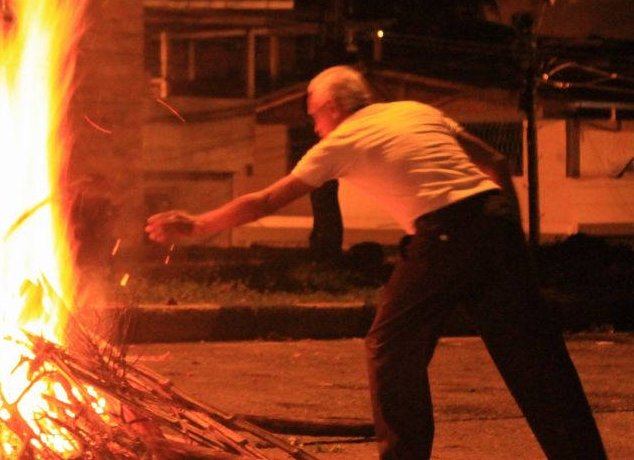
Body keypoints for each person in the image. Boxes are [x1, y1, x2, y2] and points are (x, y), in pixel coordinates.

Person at [146, 65, 607, 460]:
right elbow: (497, 162)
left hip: (444, 232)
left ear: (332, 108)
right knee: (534, 353)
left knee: (388, 345)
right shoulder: (415, 111)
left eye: (313, 116)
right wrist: (511, 240)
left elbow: (266, 199)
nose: (314, 129)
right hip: (495, 219)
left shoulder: (343, 139)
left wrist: (197, 224)